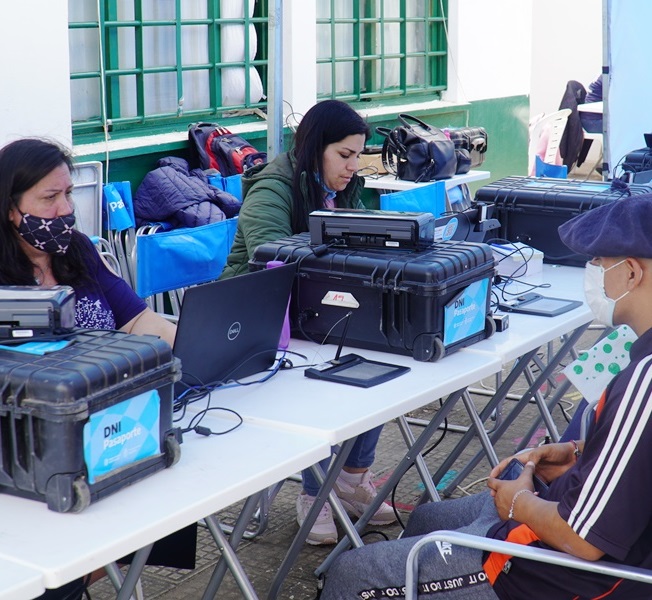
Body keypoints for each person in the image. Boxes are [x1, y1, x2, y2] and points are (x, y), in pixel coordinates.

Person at [320, 195, 652, 599]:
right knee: (427, 517)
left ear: (632, 273)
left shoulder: (644, 379)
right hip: (594, 535)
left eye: (598, 262)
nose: (593, 273)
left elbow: (582, 539)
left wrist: (520, 503)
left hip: (578, 576)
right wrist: (580, 453)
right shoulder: (639, 363)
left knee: (352, 573)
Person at [0, 138, 194, 599]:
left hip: (113, 424)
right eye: (50, 198)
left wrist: (195, 347)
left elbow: (138, 320)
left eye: (68, 194)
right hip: (33, 448)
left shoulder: (79, 251)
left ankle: (92, 571)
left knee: (167, 498)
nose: (66, 208)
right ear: (10, 208)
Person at [220, 99, 396, 544]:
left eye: (359, 155)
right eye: (344, 155)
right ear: (316, 147)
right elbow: (275, 261)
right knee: (331, 383)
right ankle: (315, 493)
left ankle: (352, 479)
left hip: (312, 311)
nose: (354, 166)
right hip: (256, 316)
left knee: (380, 363)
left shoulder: (340, 187)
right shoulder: (272, 189)